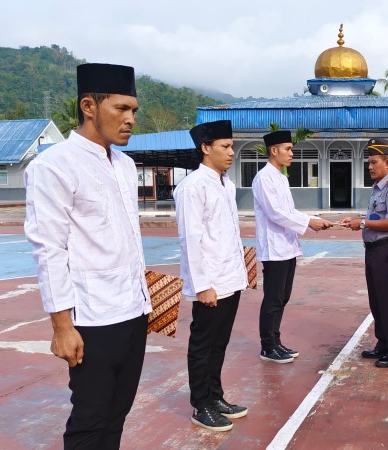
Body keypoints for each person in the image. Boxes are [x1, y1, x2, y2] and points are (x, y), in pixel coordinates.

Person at [24, 63, 151, 449]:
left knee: (117, 415)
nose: (130, 119)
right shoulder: (54, 166)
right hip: (92, 318)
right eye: (120, 109)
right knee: (90, 420)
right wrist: (62, 327)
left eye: (134, 111)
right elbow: (49, 248)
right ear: (88, 106)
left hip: (133, 311)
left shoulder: (126, 165)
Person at [174, 119, 249, 432]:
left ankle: (216, 397)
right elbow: (190, 241)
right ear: (206, 148)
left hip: (230, 278)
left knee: (220, 343)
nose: (231, 152)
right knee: (203, 345)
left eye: (231, 145)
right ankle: (201, 404)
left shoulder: (225, 184)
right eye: (225, 146)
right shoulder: (192, 188)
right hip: (211, 285)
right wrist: (203, 286)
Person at [252, 130, 333, 363]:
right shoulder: (264, 178)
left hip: (287, 246)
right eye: (287, 149)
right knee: (273, 299)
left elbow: (289, 212)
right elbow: (275, 213)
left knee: (283, 297)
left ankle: (276, 342)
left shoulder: (280, 177)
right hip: (274, 248)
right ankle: (267, 346)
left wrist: (313, 221)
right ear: (273, 150)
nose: (292, 153)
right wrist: (309, 222)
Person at [341, 138, 388, 368]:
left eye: (373, 162)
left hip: (387, 251)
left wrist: (361, 224)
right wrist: (358, 219)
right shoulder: (379, 187)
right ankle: (384, 343)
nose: (369, 167)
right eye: (369, 163)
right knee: (377, 301)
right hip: (374, 252)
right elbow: (376, 217)